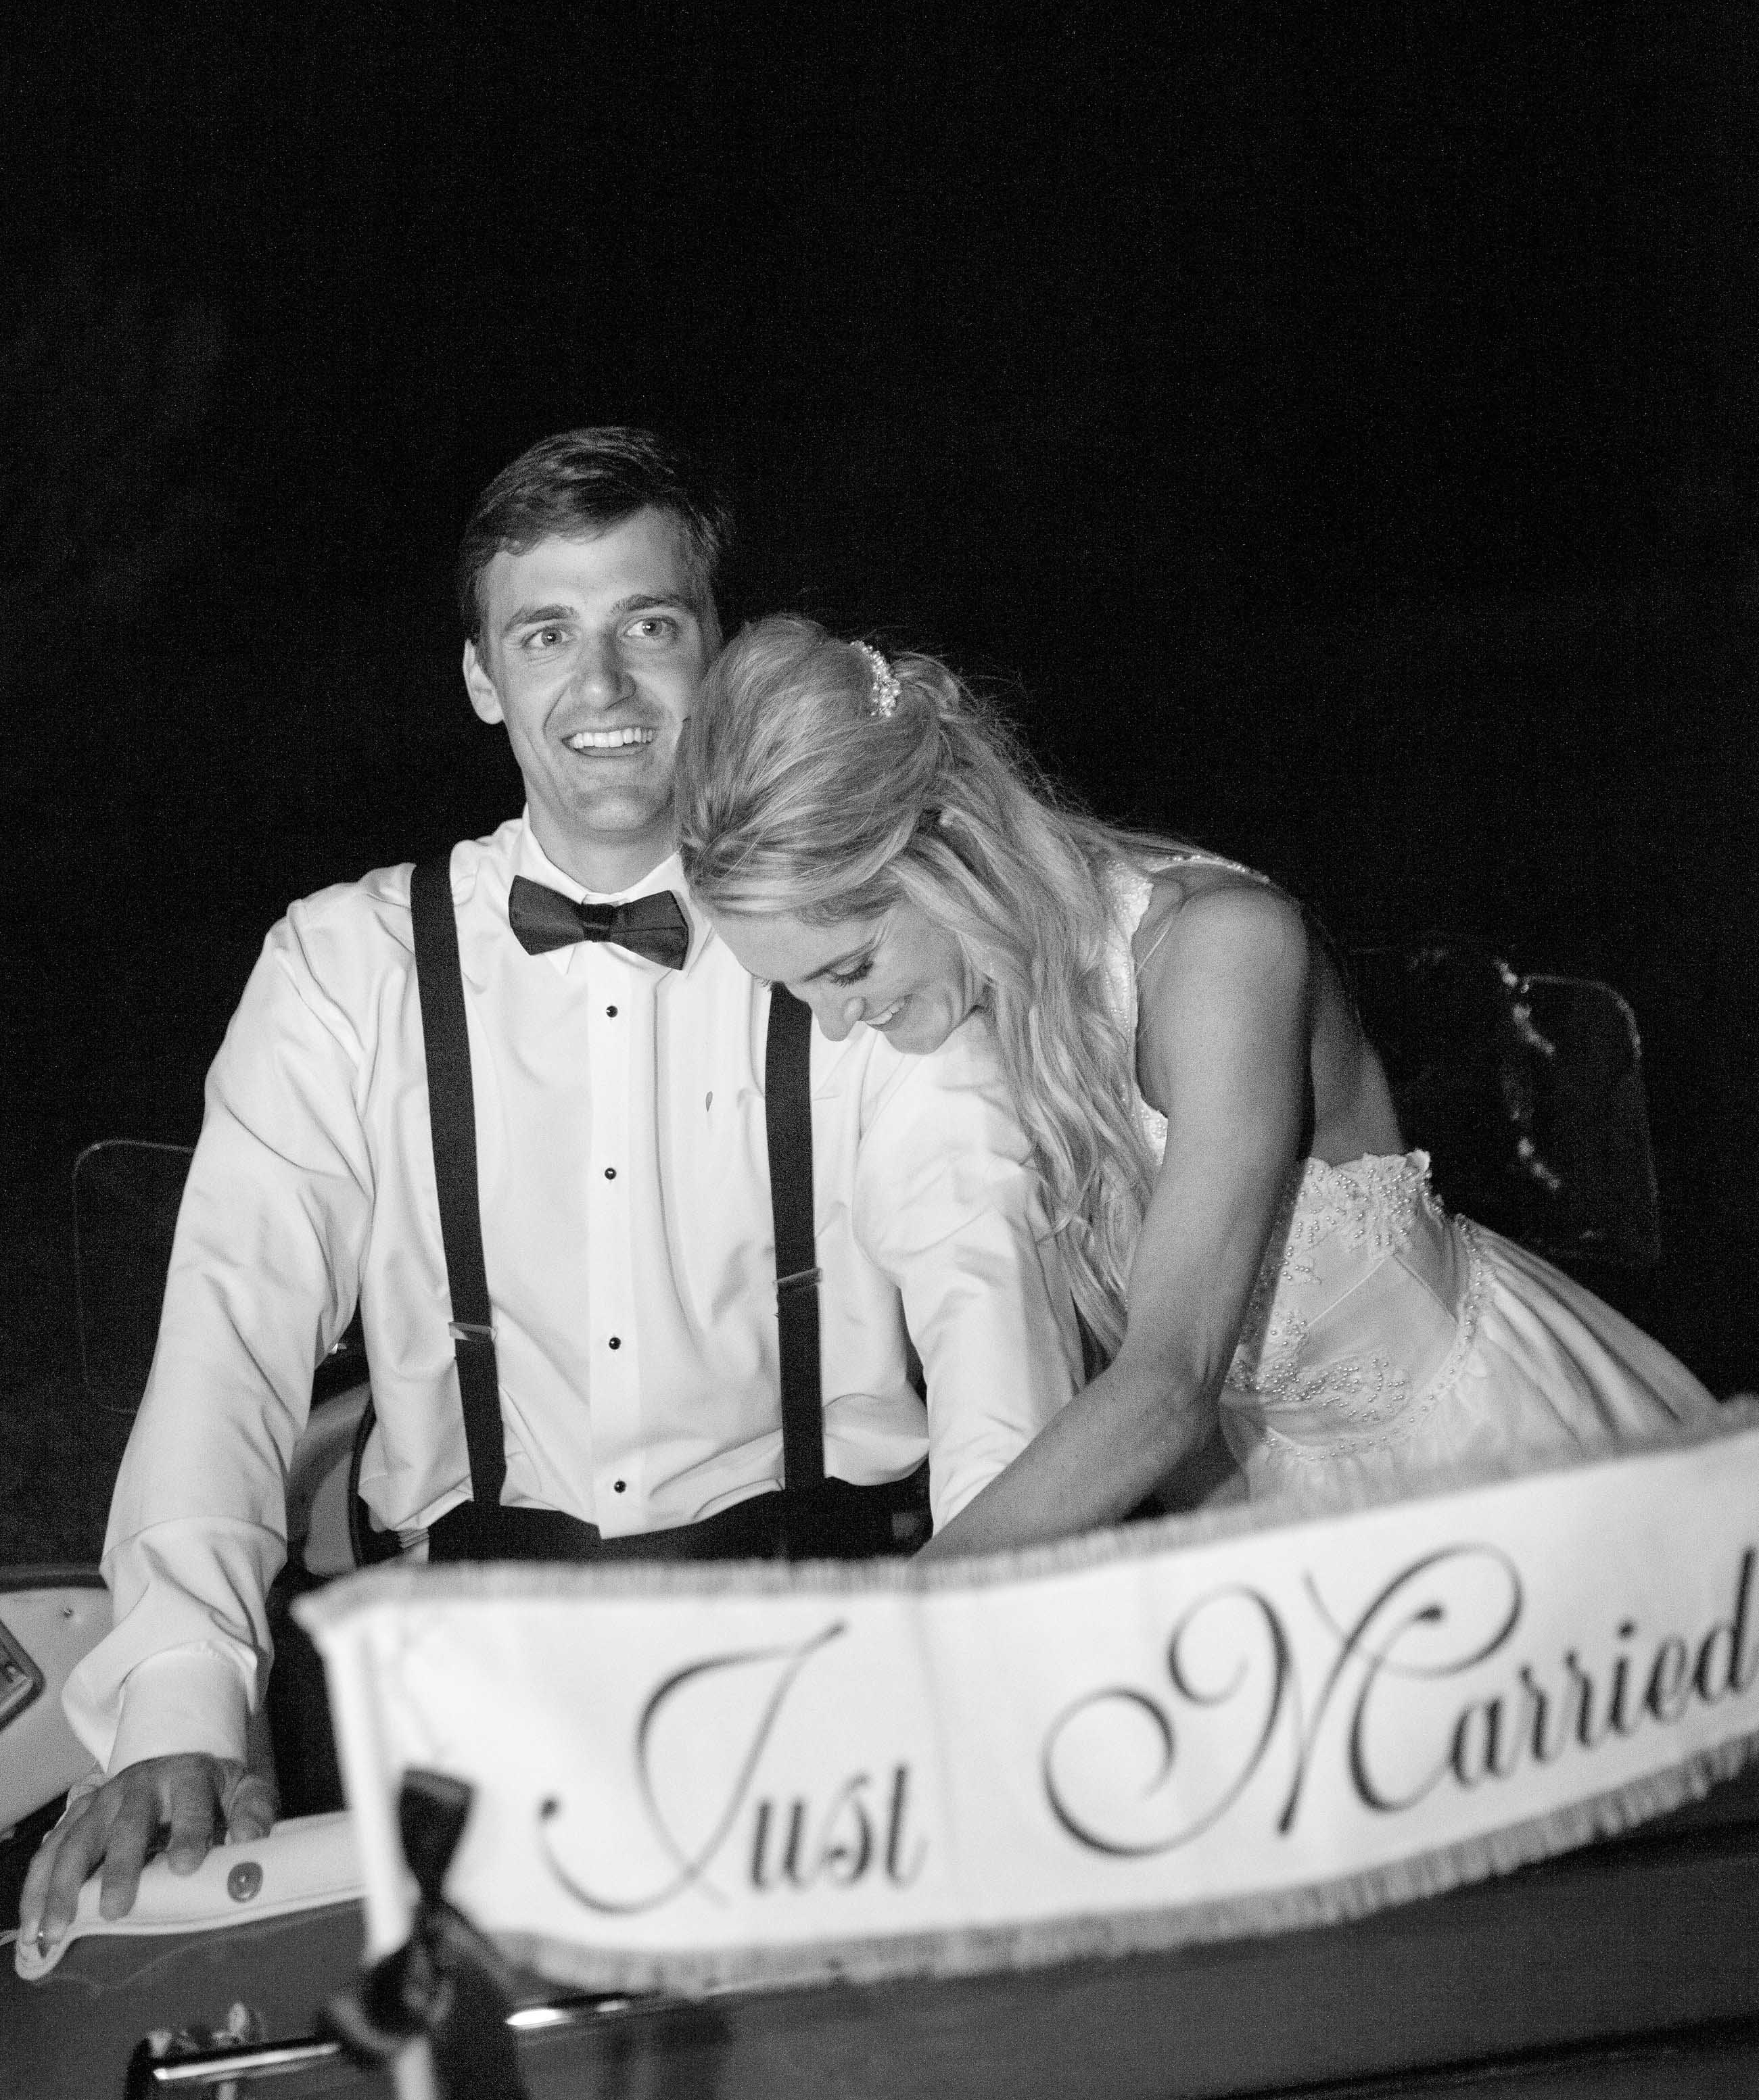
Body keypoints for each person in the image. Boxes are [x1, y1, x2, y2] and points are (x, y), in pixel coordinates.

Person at [22, 435, 1078, 1953]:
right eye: (543, 634)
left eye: (648, 623)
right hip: (464, 1690)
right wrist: (177, 1699)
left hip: (824, 1648)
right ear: (479, 676)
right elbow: (228, 1334)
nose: (601, 686)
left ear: (717, 653)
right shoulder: (341, 968)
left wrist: (996, 1649)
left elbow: (989, 1292)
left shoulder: (862, 929)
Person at [674, 616, 1716, 1562]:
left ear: (948, 847)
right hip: (1286, 1512)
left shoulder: (1221, 952)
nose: (836, 1022)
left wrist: (899, 1618)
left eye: (848, 968)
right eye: (796, 990)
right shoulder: (989, 1000)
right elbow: (1149, 1413)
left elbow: (1166, 1386)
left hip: (1500, 1470)